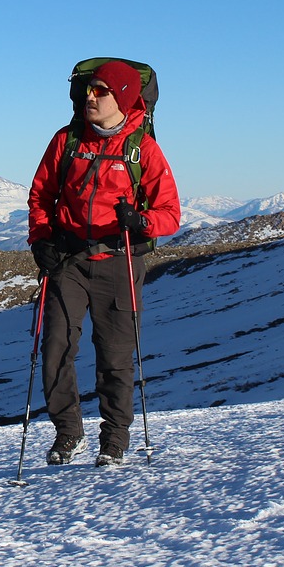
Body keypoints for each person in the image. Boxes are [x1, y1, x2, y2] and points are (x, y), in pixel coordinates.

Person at [27, 60, 181, 467]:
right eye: (88, 90)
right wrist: (41, 239)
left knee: (114, 355)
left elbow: (170, 212)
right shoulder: (67, 140)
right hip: (69, 259)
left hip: (120, 261)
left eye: (100, 91)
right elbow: (41, 196)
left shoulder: (141, 148)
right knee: (56, 346)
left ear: (124, 96)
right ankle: (68, 433)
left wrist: (142, 222)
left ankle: (114, 438)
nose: (89, 97)